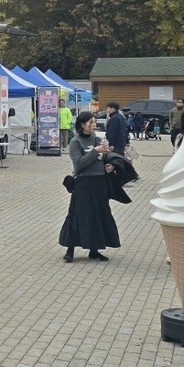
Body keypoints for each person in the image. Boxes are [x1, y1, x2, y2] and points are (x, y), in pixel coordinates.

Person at [58, 111, 120, 263]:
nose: (94, 125)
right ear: (82, 124)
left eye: (94, 122)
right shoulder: (76, 142)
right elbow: (79, 164)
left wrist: (109, 165)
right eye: (90, 122)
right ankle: (70, 249)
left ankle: (95, 249)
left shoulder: (98, 139)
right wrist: (95, 151)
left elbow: (104, 159)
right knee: (77, 215)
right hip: (83, 183)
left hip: (99, 182)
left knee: (98, 215)